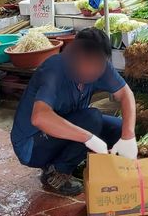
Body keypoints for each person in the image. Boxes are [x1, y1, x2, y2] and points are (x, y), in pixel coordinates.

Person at [11, 28, 137, 196]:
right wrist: (89, 138)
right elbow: (40, 117)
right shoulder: (54, 69)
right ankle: (56, 173)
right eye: (87, 63)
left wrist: (128, 135)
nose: (93, 70)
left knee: (118, 127)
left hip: (62, 130)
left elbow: (125, 94)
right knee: (91, 119)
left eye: (98, 64)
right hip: (32, 145)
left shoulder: (102, 67)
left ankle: (71, 159)